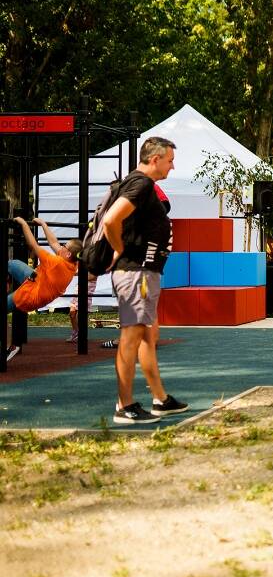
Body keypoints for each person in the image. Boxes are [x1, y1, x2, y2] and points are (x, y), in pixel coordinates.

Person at [101, 136, 188, 424]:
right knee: (131, 336)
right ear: (155, 159)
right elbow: (111, 221)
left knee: (148, 336)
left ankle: (160, 399)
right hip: (136, 272)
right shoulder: (140, 184)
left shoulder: (141, 185)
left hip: (145, 272)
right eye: (170, 161)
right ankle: (124, 405)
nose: (172, 167)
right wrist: (119, 249)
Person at [5, 217, 82, 361]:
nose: (62, 247)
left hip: (30, 296)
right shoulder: (72, 263)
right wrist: (44, 225)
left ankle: (11, 346)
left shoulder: (56, 263)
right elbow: (54, 243)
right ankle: (7, 282)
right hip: (36, 280)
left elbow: (32, 245)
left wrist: (22, 223)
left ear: (68, 254)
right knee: (12, 264)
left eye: (65, 246)